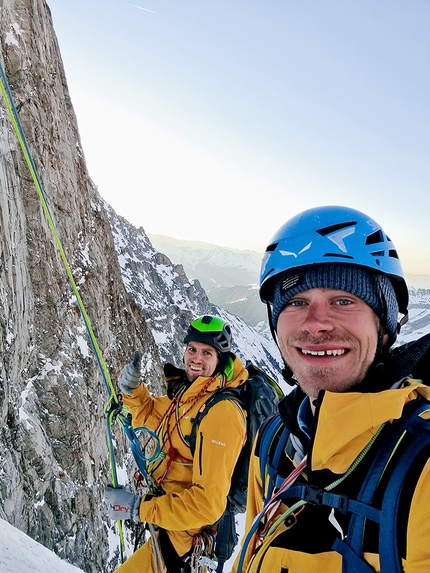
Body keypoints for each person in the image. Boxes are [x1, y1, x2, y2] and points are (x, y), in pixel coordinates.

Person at [232, 205, 430, 573]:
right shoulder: (275, 441)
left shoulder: (422, 465)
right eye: (295, 302)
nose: (316, 324)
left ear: (385, 327)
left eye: (343, 300)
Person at [105, 314, 248, 573]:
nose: (196, 358)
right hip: (172, 523)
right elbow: (154, 416)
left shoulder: (222, 413)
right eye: (192, 349)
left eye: (207, 353)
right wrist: (134, 391)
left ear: (220, 360)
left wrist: (140, 508)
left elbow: (207, 504)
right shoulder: (191, 395)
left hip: (186, 537)